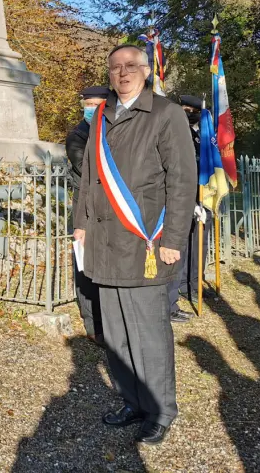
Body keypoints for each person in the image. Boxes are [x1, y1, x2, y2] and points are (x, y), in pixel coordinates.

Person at [73, 44, 196, 445]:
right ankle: (132, 401)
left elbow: (182, 181)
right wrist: (80, 224)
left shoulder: (166, 113)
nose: (123, 72)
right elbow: (89, 176)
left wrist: (173, 239)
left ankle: (160, 410)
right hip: (103, 242)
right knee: (115, 334)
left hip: (145, 244)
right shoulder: (101, 117)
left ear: (145, 71)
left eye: (130, 66)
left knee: (149, 333)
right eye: (115, 67)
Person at [65, 85, 109, 343]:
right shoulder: (78, 136)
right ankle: (94, 324)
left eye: (96, 104)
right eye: (87, 105)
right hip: (87, 207)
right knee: (86, 265)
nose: (91, 109)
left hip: (111, 208)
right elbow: (87, 170)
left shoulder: (113, 130)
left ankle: (111, 318)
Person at [166, 94, 211, 323]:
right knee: (176, 249)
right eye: (187, 110)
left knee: (197, 246)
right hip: (179, 202)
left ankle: (192, 284)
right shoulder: (173, 134)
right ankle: (169, 302)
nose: (191, 115)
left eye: (195, 112)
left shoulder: (198, 135)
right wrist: (189, 202)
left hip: (198, 198)